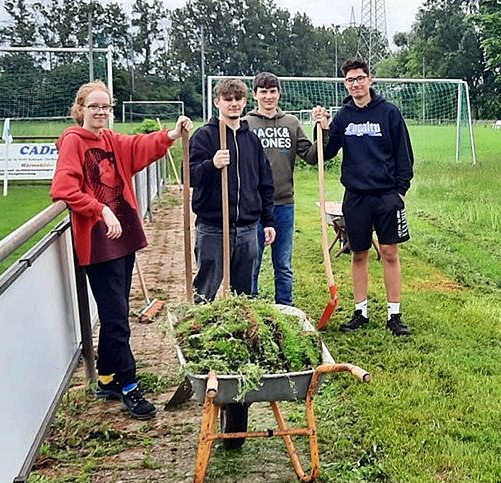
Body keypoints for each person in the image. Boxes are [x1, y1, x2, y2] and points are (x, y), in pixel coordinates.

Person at [50, 81, 192, 420]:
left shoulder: (109, 140)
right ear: (80, 108)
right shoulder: (73, 141)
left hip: (122, 239)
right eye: (94, 106)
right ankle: (129, 386)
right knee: (116, 319)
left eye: (106, 107)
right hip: (99, 244)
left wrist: (171, 135)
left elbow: (139, 146)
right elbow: (63, 187)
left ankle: (106, 377)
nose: (101, 112)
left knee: (117, 312)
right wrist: (100, 209)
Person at [322, 59, 414, 336]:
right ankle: (360, 311)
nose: (356, 84)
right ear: (345, 84)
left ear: (370, 80)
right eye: (350, 80)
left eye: (360, 78)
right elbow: (326, 153)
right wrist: (324, 127)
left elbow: (404, 155)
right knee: (358, 253)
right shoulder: (343, 117)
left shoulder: (389, 113)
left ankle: (394, 315)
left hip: (386, 195)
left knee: (389, 252)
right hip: (356, 197)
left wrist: (400, 191)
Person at [243, 72, 330, 305]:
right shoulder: (246, 124)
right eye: (263, 92)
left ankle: (286, 308)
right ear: (255, 95)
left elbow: (311, 156)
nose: (268, 96)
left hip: (283, 204)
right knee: (252, 261)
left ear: (278, 94)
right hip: (253, 206)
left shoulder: (290, 123)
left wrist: (322, 130)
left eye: (272, 91)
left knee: (283, 263)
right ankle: (251, 309)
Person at [188, 78, 276, 302]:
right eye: (228, 99)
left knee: (243, 295)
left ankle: (240, 334)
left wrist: (268, 221)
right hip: (213, 228)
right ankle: (199, 333)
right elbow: (188, 176)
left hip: (247, 229)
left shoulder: (252, 141)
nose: (233, 103)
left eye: (238, 99)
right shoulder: (205, 136)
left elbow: (265, 183)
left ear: (245, 102)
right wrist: (212, 165)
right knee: (205, 292)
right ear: (218, 102)